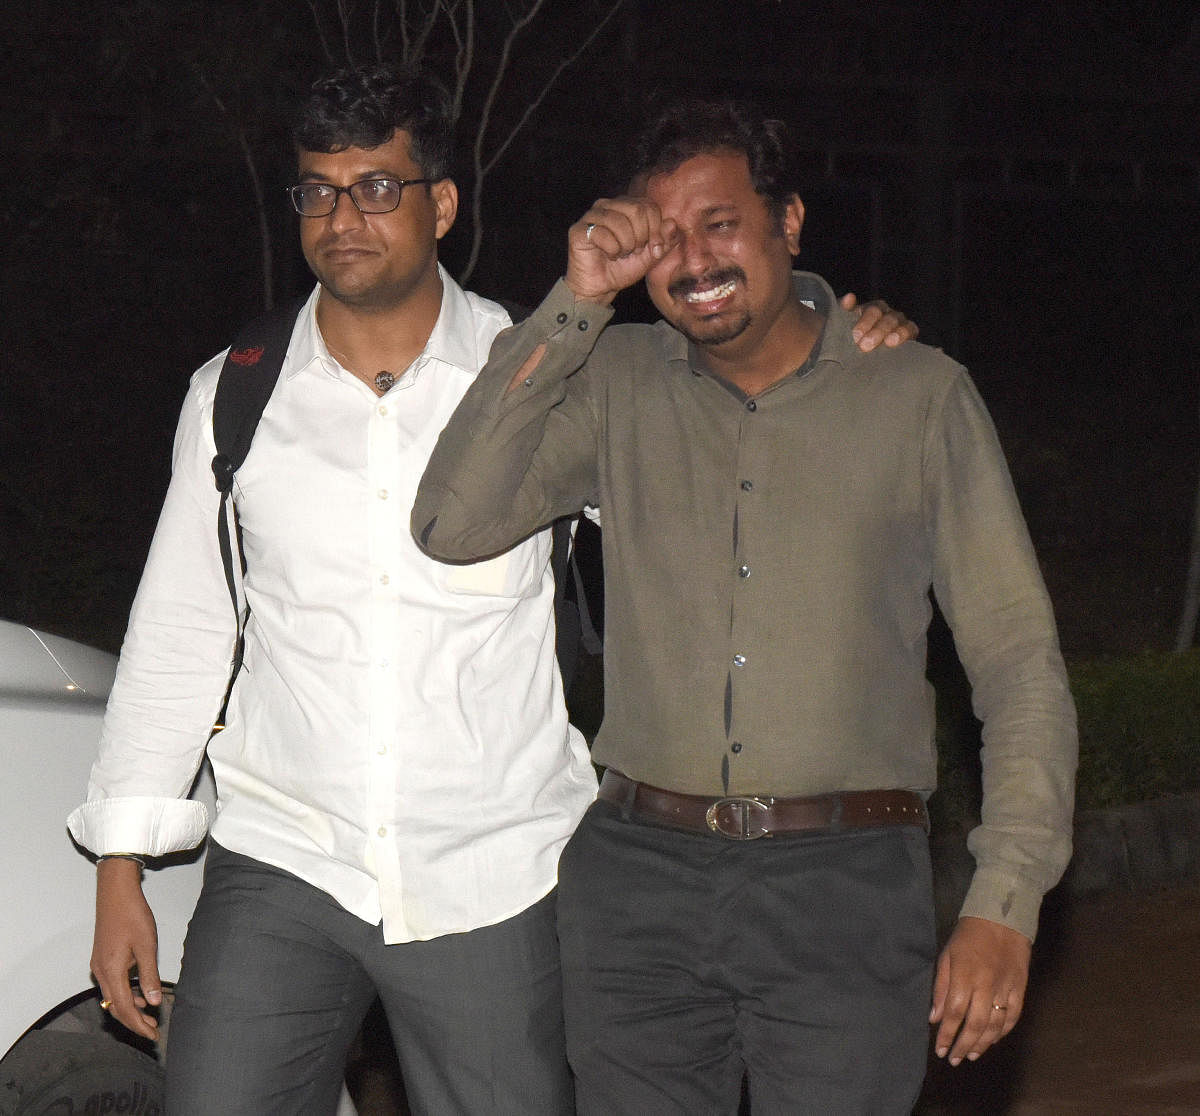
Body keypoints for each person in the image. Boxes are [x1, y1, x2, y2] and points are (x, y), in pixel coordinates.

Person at [66, 70, 912, 1114]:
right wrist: (121, 867)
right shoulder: (234, 393)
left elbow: (740, 477)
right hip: (283, 860)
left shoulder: (555, 372)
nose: (344, 217)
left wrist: (835, 335)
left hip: (495, 873)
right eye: (318, 191)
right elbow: (183, 630)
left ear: (443, 204)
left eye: (378, 187)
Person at [412, 97, 1078, 1114]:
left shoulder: (918, 396)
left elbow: (1019, 662)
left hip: (846, 888)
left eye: (720, 223)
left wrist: (1008, 901)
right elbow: (452, 522)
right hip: (637, 881)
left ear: (790, 223)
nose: (693, 260)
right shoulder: (614, 382)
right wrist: (576, 298)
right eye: (663, 237)